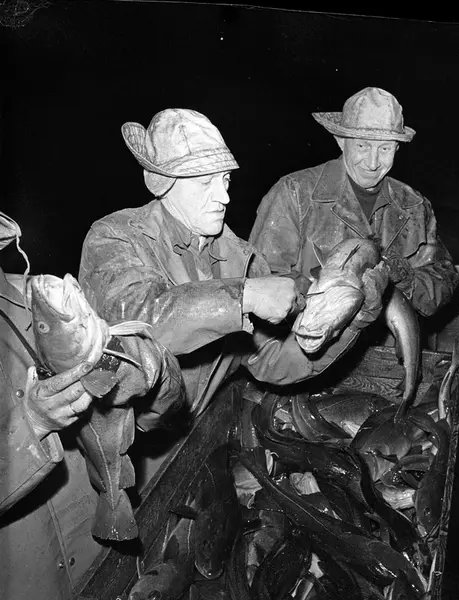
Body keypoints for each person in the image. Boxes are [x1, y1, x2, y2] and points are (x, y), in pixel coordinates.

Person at [78, 108, 388, 415]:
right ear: (162, 182)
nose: (224, 197)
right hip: (123, 433)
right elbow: (139, 320)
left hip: (195, 427)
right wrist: (244, 296)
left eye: (224, 179)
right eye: (204, 182)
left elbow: (275, 362)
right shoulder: (116, 237)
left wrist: (352, 321)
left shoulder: (243, 259)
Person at [0, 211, 187, 600]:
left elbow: (166, 412)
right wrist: (31, 425)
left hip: (106, 545)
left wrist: (151, 365)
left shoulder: (44, 296)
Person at [249, 87, 459, 339]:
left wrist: (407, 279)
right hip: (305, 339)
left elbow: (444, 278)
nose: (372, 162)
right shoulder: (295, 193)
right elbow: (262, 277)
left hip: (382, 345)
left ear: (397, 148)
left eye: (384, 149)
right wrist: (334, 295)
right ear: (340, 140)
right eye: (362, 145)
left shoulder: (413, 205)